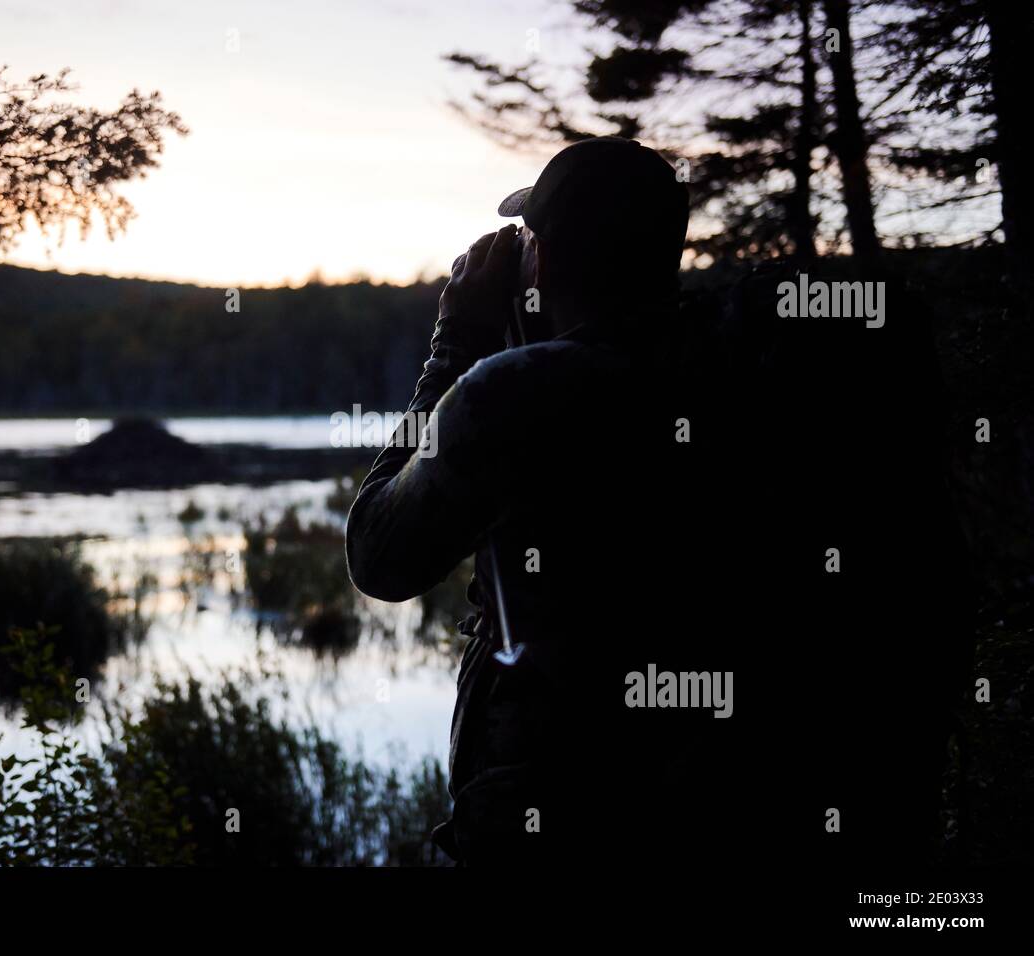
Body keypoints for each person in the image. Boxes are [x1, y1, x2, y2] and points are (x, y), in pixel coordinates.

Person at [345, 136, 974, 869]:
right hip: (744, 811)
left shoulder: (516, 394)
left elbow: (379, 556)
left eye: (526, 241)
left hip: (565, 820)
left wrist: (456, 345)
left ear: (542, 258)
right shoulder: (741, 368)